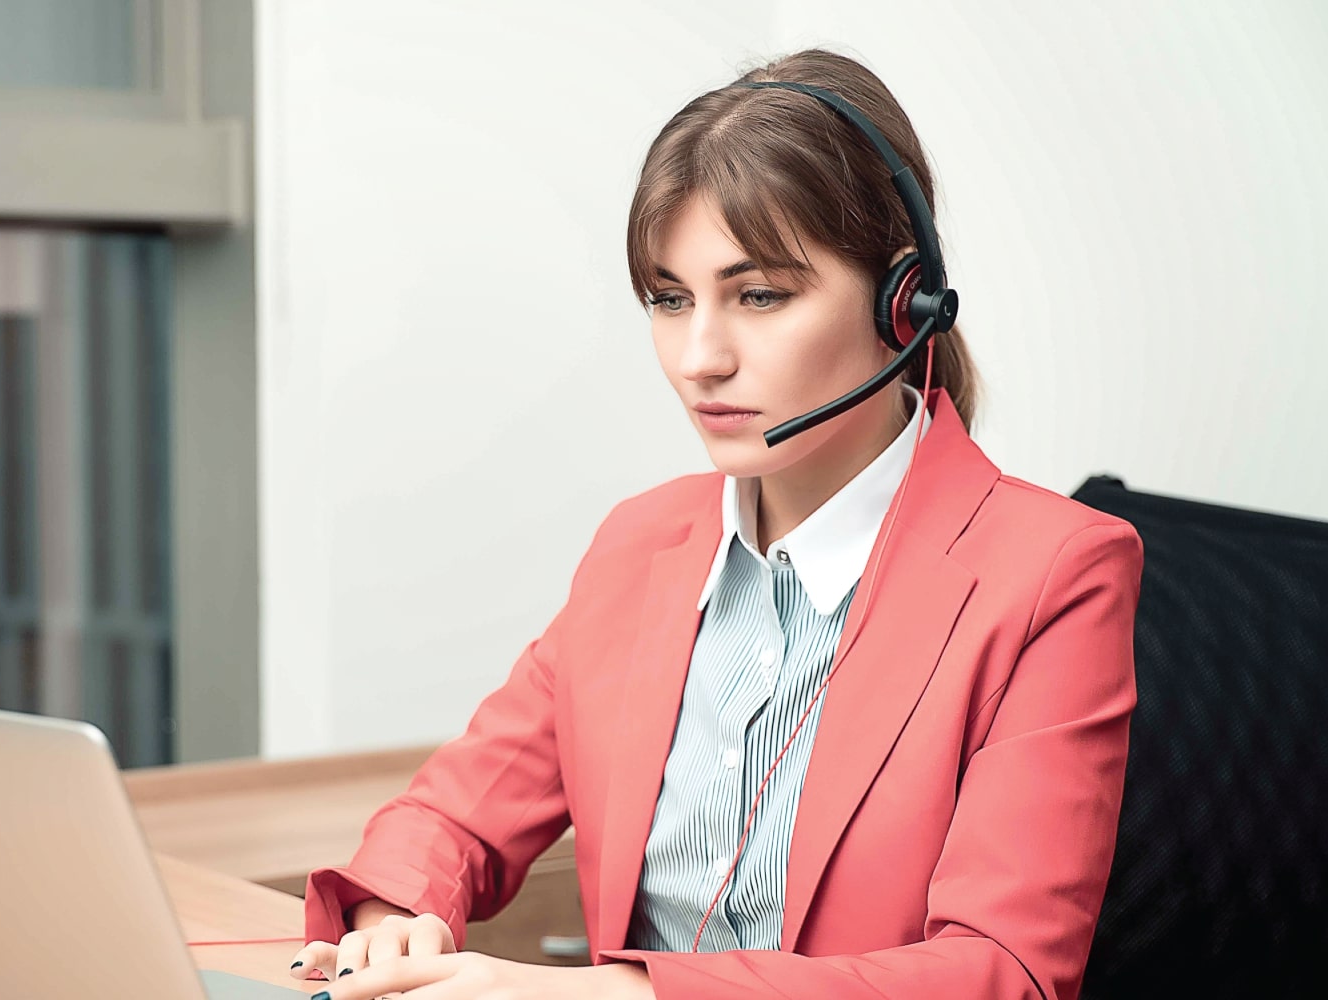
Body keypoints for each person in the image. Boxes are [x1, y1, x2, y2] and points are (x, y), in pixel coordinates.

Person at [287, 47, 1143, 1000]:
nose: (699, 359)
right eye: (670, 299)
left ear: (905, 303)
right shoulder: (641, 548)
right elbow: (456, 812)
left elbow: (1000, 974)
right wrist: (399, 914)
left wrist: (607, 995)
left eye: (760, 295)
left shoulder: (1052, 573)